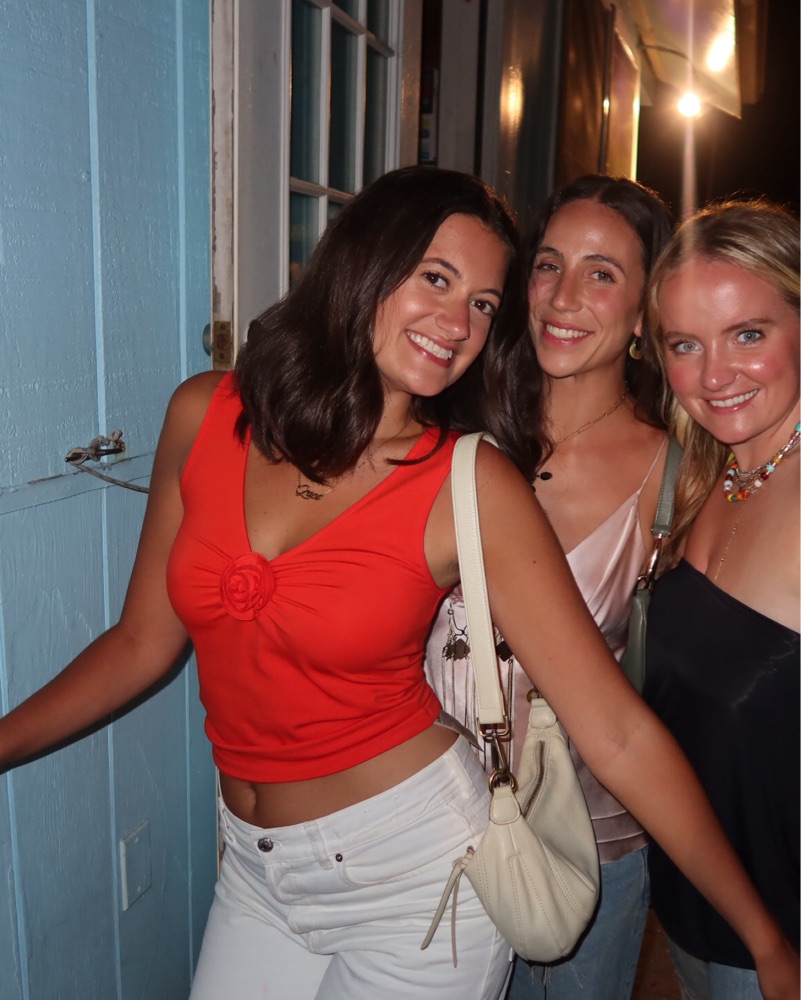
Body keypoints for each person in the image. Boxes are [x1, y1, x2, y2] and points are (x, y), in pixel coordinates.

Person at [0, 167, 796, 1000]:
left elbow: (615, 729)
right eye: (436, 280)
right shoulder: (205, 413)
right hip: (256, 866)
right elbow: (140, 642)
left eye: (482, 303)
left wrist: (762, 936)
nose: (456, 324)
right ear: (365, 264)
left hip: (416, 872)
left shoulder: (466, 480)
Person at [427, 174, 676, 1000]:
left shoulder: (674, 473)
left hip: (586, 846)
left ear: (643, 312)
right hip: (431, 823)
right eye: (547, 265)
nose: (563, 298)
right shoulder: (452, 426)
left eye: (601, 273)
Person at [643, 198, 800, 1000]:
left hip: (779, 944)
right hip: (691, 913)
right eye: (685, 344)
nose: (712, 376)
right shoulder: (706, 475)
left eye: (747, 334)